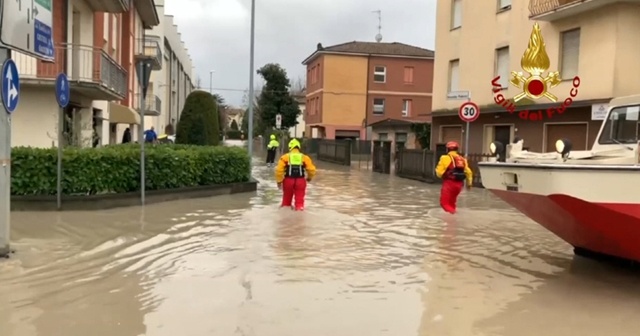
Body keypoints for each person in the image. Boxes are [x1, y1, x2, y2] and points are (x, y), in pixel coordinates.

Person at [275, 138, 316, 211]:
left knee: (286, 203)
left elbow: (279, 170)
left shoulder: (285, 157)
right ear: (299, 147)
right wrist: (309, 178)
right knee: (300, 203)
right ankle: (299, 218)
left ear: (290, 147)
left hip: (288, 181)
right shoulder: (305, 157)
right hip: (301, 181)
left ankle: (285, 218)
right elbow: (312, 170)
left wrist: (279, 181)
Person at [435, 141, 473, 214]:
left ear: (447, 149)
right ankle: (452, 223)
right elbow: (469, 172)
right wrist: (469, 184)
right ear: (457, 149)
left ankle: (454, 216)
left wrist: (441, 175)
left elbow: (439, 173)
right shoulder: (462, 159)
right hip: (459, 185)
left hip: (449, 184)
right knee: (452, 203)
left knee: (444, 204)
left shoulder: (444, 158)